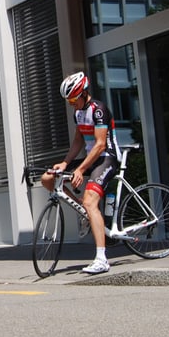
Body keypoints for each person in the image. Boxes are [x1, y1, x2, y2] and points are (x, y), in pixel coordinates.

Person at [41, 71, 120, 275]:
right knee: (48, 178)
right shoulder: (78, 112)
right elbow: (78, 140)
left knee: (90, 201)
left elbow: (101, 145)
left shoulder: (98, 110)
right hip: (89, 158)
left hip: (106, 158)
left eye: (74, 99)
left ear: (84, 93)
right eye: (69, 101)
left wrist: (80, 169)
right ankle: (84, 213)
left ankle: (101, 259)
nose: (72, 104)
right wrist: (66, 163)